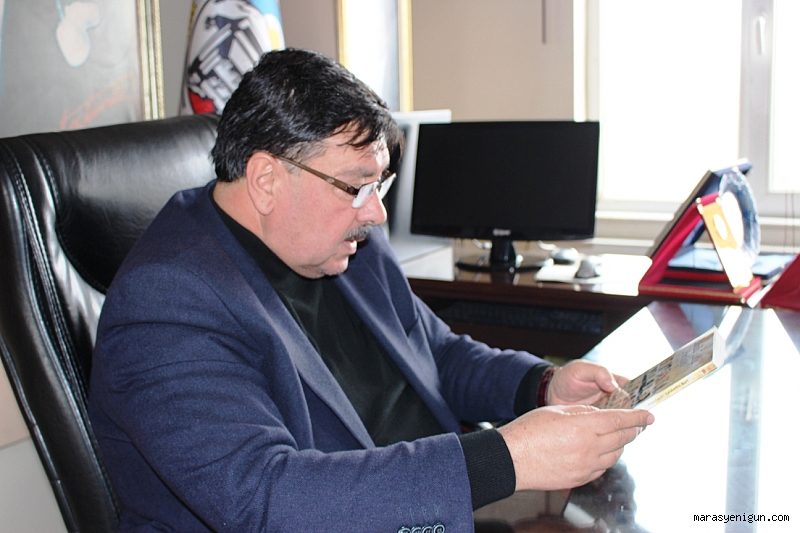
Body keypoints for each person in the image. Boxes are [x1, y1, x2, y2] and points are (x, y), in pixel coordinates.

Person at [88, 48, 653, 533]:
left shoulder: (342, 240)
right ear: (265, 180)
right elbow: (265, 497)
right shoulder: (166, 302)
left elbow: (435, 353)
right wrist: (504, 459)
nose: (376, 212)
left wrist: (541, 386)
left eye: (379, 184)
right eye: (357, 186)